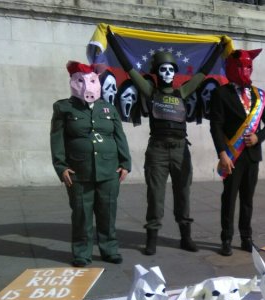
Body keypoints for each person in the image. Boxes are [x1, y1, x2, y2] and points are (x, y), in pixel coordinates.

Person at [106, 29, 226, 255]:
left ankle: (185, 237)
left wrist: (218, 49)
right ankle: (152, 237)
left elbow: (202, 73)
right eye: (163, 69)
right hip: (157, 150)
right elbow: (130, 70)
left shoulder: (182, 91)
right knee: (155, 196)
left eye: (171, 69)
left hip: (181, 149)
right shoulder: (150, 91)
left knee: (183, 194)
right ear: (157, 72)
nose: (168, 72)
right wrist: (113, 41)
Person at [51, 61, 132, 267]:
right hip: (79, 171)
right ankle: (81, 252)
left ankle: (109, 249)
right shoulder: (63, 108)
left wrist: (125, 163)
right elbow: (57, 139)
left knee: (107, 211)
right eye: (82, 81)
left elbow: (119, 136)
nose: (88, 87)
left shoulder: (108, 108)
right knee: (81, 214)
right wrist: (61, 167)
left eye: (92, 81)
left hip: (109, 170)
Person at [209, 49, 265, 256]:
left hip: (252, 156)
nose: (246, 70)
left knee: (248, 199)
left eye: (249, 66)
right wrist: (222, 153)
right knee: (229, 198)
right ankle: (226, 239)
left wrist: (259, 137)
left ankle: (246, 237)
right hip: (231, 156)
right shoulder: (221, 93)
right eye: (241, 66)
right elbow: (216, 126)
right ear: (231, 68)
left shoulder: (259, 95)